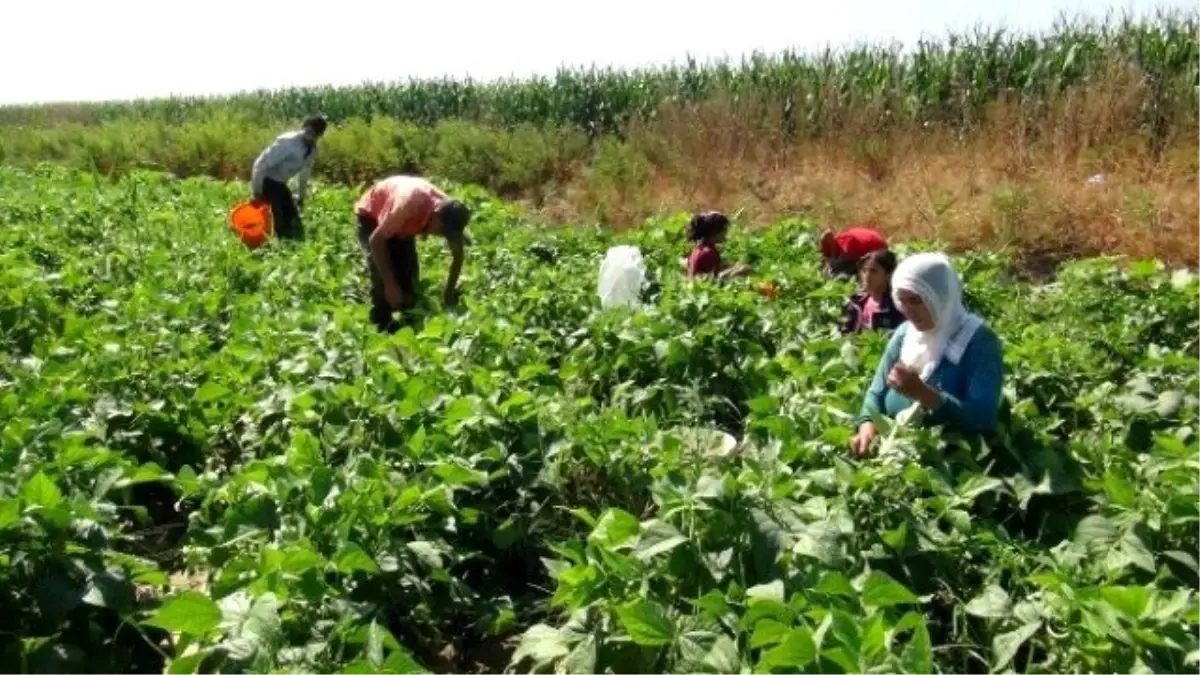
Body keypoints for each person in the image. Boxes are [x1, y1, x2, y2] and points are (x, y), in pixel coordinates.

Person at [850, 252, 1004, 458]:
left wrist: (925, 394)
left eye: (916, 300)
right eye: (902, 301)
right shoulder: (905, 333)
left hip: (949, 462)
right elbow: (876, 393)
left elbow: (984, 421)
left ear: (941, 296)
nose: (908, 310)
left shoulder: (979, 342)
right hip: (894, 452)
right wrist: (867, 425)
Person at [354, 175, 471, 332]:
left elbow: (458, 256)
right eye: (442, 230)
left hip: (404, 225)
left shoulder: (450, 215)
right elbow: (376, 240)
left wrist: (448, 293)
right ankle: (381, 326)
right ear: (435, 215)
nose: (442, 234)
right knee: (382, 279)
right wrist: (390, 285)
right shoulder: (409, 205)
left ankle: (408, 328)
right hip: (373, 217)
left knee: (409, 279)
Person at [250, 115, 328, 240]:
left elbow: (304, 175)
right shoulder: (288, 142)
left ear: (319, 136)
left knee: (293, 222)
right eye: (308, 132)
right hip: (267, 181)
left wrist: (301, 197)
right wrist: (257, 192)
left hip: (280, 184)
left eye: (315, 135)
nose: (310, 137)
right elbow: (260, 164)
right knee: (277, 227)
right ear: (304, 127)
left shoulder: (312, 150)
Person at [840, 249, 905, 334]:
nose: (867, 276)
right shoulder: (856, 303)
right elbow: (845, 332)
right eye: (864, 270)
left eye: (873, 271)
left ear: (888, 275)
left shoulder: (896, 308)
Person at [685, 211, 750, 280]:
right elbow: (709, 280)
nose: (726, 233)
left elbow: (713, 269)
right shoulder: (707, 253)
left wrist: (731, 267)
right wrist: (734, 272)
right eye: (724, 230)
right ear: (715, 232)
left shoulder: (701, 248)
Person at [820, 225, 888, 277]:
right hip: (877, 241)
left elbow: (834, 267)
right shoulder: (841, 239)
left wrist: (831, 265)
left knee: (837, 274)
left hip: (878, 250)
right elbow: (828, 233)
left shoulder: (845, 251)